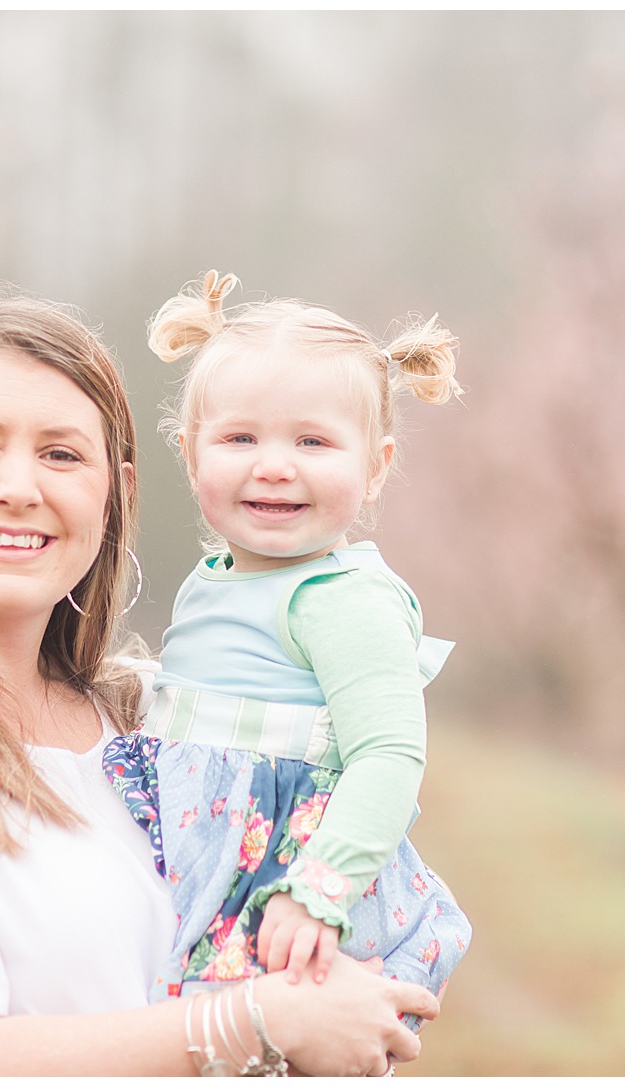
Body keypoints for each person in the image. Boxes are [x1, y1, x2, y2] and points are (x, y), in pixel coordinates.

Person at [0, 283, 437, 1077]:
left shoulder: (148, 724)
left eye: (62, 454)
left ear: (117, 494)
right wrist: (259, 1020)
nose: (18, 487)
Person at [103, 272, 472, 1026]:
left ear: (375, 466)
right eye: (240, 438)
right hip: (209, 860)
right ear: (191, 452)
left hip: (281, 882)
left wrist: (320, 886)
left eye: (312, 441)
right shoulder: (213, 581)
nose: (274, 464)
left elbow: (390, 754)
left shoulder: (342, 599)